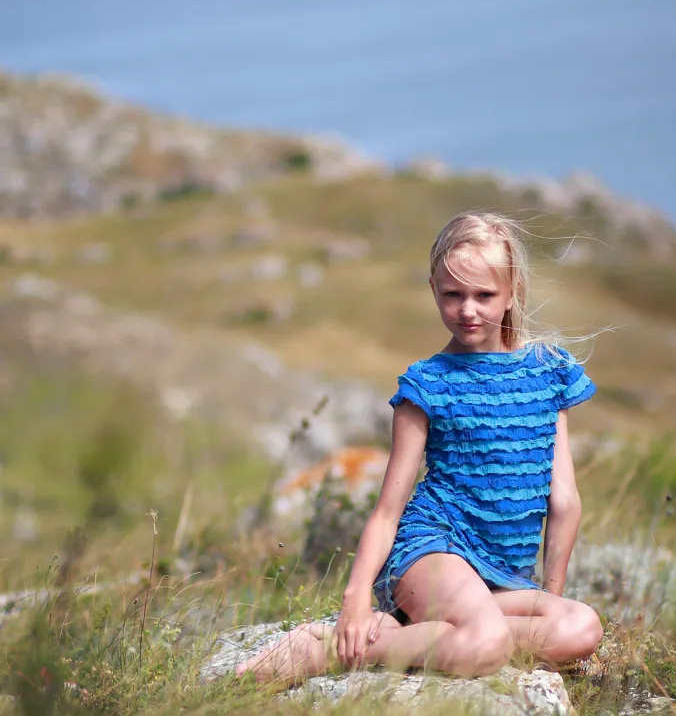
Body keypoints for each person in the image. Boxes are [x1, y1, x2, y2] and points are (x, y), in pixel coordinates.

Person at [236, 211, 603, 682]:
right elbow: (388, 511)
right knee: (487, 642)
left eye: (484, 295)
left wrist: (549, 598)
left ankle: (422, 632)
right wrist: (355, 598)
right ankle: (329, 649)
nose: (467, 310)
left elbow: (564, 501)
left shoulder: (550, 373)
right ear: (434, 289)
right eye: (453, 295)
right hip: (432, 552)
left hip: (502, 580)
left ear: (513, 292)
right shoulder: (427, 384)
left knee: (580, 628)